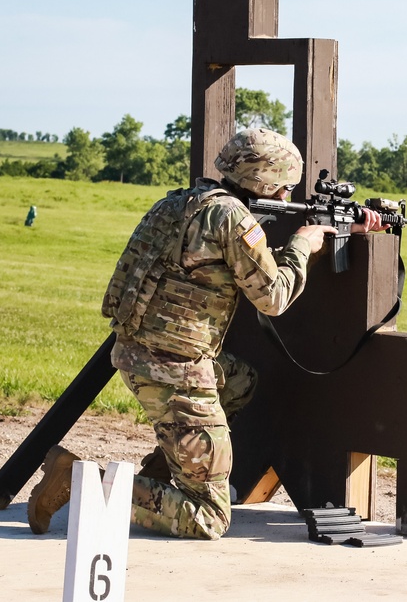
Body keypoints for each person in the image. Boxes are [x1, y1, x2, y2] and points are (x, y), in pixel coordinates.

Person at [27, 128, 385, 539]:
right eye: (283, 188)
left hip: (137, 352)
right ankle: (79, 481)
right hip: (175, 370)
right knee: (210, 518)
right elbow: (273, 296)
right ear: (261, 181)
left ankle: (167, 470)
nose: (286, 198)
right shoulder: (232, 218)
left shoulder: (180, 201)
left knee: (239, 381)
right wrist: (304, 243)